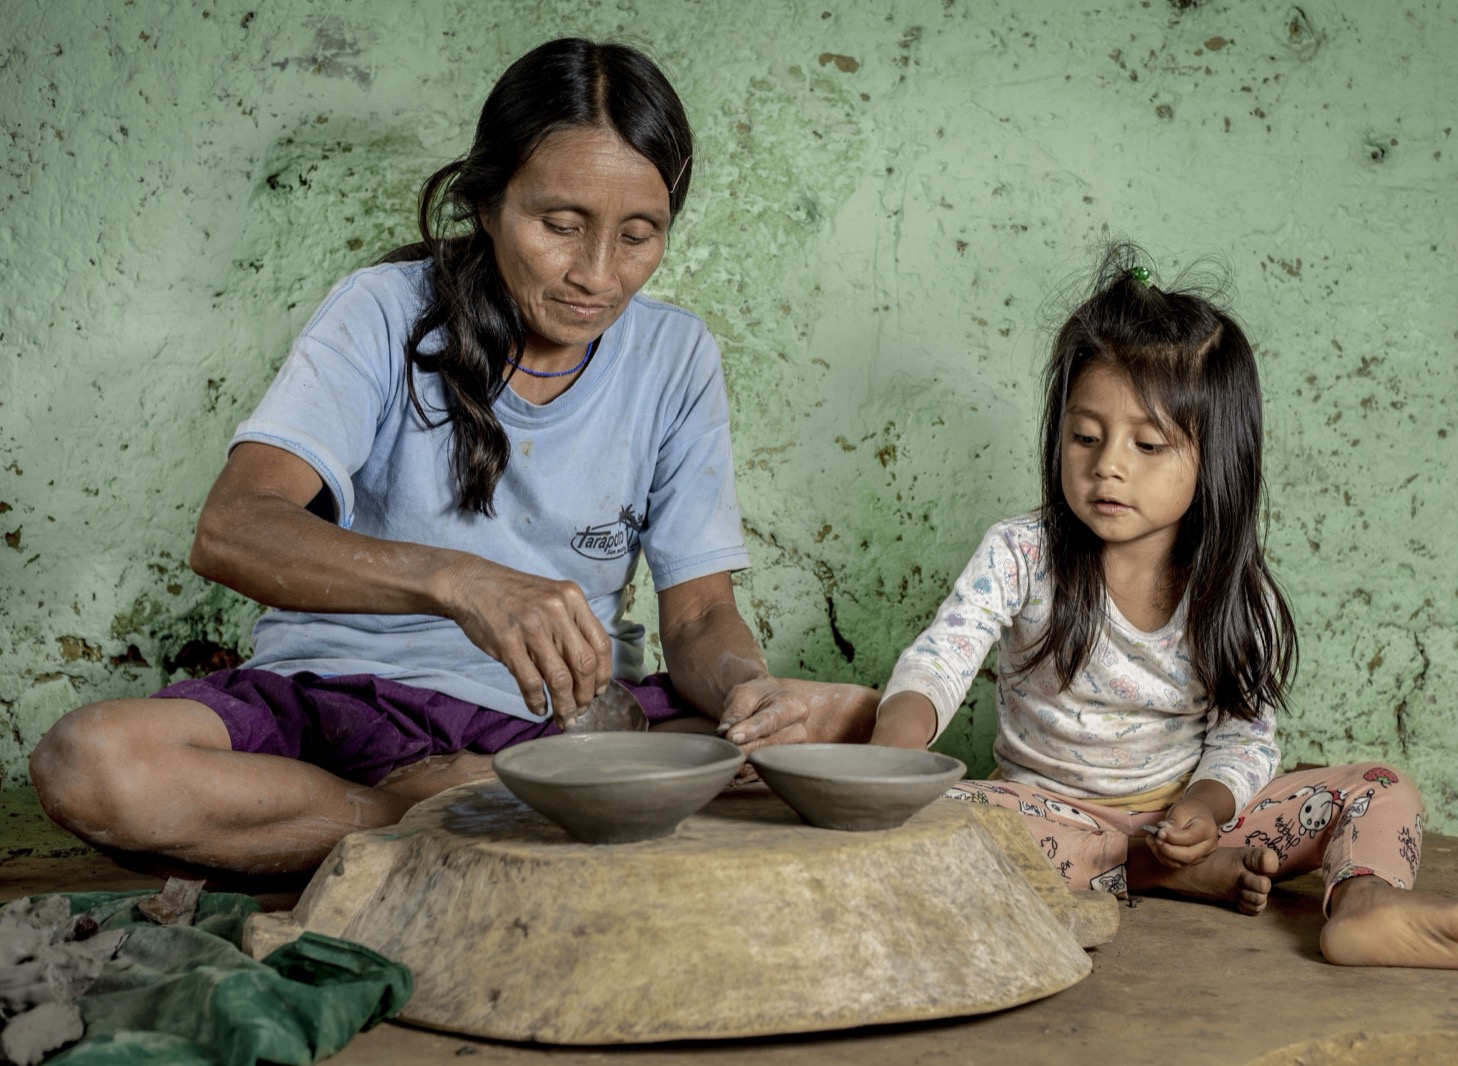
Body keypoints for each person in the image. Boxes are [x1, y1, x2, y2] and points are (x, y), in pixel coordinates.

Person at [30, 38, 876, 877]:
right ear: (488, 201)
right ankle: (452, 809)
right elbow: (233, 530)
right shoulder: (382, 312)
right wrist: (461, 582)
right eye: (559, 225)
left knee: (834, 732)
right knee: (93, 763)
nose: (597, 275)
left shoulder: (675, 355)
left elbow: (695, 619)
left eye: (638, 236)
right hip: (342, 703)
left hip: (561, 728)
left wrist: (747, 690)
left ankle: (434, 810)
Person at [869, 246, 1458, 968]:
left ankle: (1363, 903)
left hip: (1194, 818)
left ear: (1215, 457)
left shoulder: (1237, 593)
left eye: (1148, 444)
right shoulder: (1021, 553)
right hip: (1046, 814)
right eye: (1085, 436)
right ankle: (1146, 869)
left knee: (1381, 786)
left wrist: (1205, 812)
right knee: (941, 816)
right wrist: (895, 747)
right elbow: (943, 656)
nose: (1108, 463)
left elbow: (1247, 738)